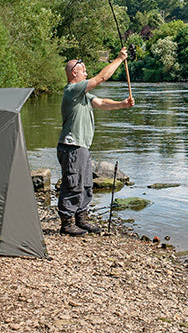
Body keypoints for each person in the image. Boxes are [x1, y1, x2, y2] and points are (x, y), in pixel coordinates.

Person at [57, 48, 135, 236]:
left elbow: (101, 103)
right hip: (71, 146)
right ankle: (67, 224)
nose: (86, 72)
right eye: (83, 69)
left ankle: (81, 220)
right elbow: (100, 78)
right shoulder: (72, 90)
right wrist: (119, 59)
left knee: (85, 184)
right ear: (74, 72)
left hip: (81, 146)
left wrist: (122, 104)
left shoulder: (83, 95)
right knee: (72, 184)